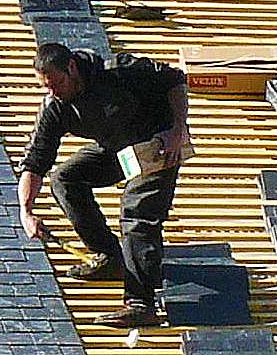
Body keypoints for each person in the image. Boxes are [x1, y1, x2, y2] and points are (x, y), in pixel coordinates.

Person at [18, 42, 191, 329]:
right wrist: (26, 210)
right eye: (46, 87)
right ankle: (111, 257)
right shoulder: (56, 107)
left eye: (57, 84)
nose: (53, 92)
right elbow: (35, 163)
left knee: (137, 214)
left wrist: (178, 128)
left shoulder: (118, 73)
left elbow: (174, 78)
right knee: (65, 178)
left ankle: (141, 304)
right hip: (118, 150)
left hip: (158, 146)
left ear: (72, 67)